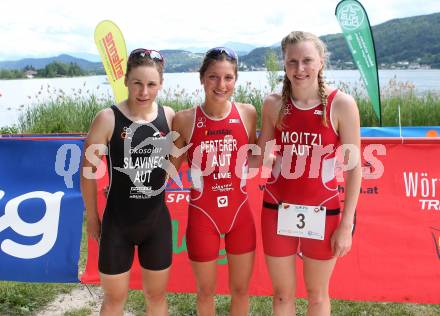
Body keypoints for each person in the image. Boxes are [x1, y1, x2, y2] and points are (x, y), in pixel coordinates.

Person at [257, 31, 361, 316]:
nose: (299, 69)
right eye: (292, 62)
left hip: (324, 212)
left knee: (316, 296)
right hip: (276, 208)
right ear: (284, 64)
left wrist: (347, 224)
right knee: (281, 296)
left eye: (307, 61)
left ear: (321, 61)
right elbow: (260, 157)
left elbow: (353, 169)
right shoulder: (273, 104)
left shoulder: (342, 104)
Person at [81, 48, 175, 316]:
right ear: (126, 81)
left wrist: (164, 176)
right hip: (117, 225)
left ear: (160, 84)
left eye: (151, 84)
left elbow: (179, 152)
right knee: (114, 300)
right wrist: (92, 217)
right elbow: (87, 173)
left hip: (156, 223)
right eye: (137, 83)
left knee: (156, 297)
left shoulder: (168, 116)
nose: (144, 91)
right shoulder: (108, 118)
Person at [171, 47, 257, 316]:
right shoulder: (184, 120)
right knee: (206, 293)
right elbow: (168, 170)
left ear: (235, 79)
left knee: (241, 291)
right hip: (202, 216)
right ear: (202, 78)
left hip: (240, 216)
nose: (221, 85)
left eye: (228, 77)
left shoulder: (248, 113)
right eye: (213, 77)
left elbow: (252, 157)